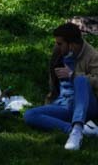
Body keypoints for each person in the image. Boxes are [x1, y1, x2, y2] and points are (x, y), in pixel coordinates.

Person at [23, 23, 98, 151]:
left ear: (72, 44)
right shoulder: (58, 53)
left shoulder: (92, 55)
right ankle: (76, 129)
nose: (57, 46)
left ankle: (77, 129)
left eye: (60, 43)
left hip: (85, 105)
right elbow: (53, 82)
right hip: (64, 104)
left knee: (81, 80)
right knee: (29, 115)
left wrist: (72, 75)